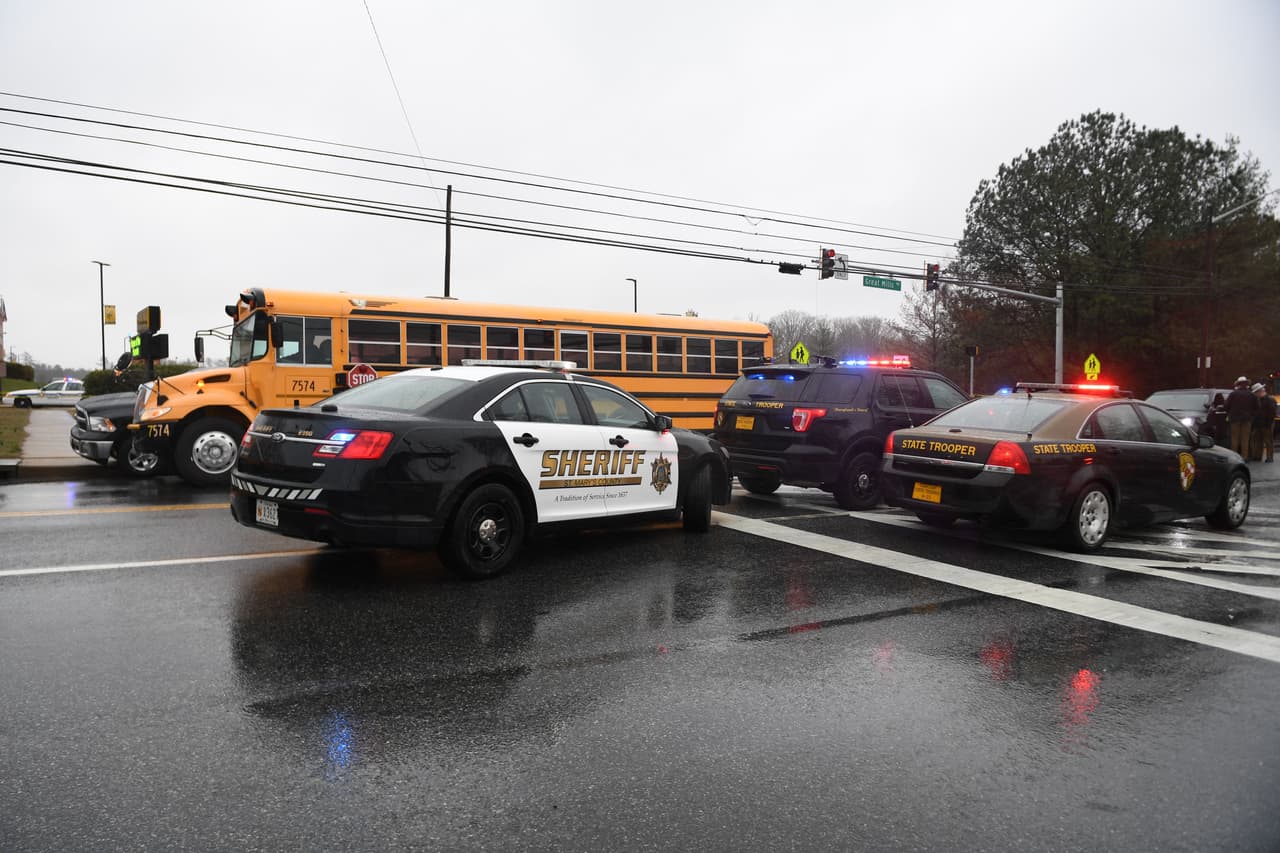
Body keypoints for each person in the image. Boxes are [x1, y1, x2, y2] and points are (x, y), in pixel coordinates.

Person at [1224, 376, 1257, 458]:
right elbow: (1257, 407)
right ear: (1246, 384)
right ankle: (1244, 457)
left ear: (1238, 384)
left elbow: (1226, 406)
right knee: (1245, 439)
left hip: (1234, 419)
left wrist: (1230, 413)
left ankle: (1234, 457)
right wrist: (1251, 415)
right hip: (1247, 419)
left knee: (1234, 439)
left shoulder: (1233, 394)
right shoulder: (1251, 395)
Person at [1251, 382, 1276, 463]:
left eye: (1255, 392)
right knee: (1258, 440)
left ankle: (1269, 457)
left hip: (1266, 424)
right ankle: (1258, 456)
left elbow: (1272, 413)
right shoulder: (1259, 400)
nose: (1255, 394)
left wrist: (1268, 424)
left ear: (1260, 391)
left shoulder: (1269, 400)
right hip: (1259, 423)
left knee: (1268, 441)